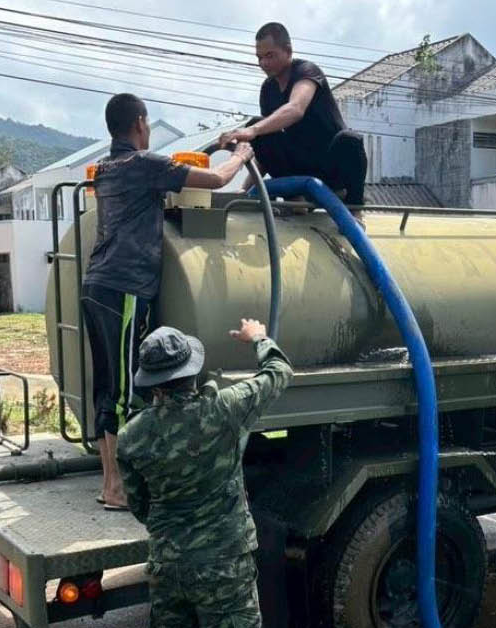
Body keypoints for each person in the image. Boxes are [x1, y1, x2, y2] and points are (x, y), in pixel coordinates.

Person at [82, 93, 253, 510]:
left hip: (97, 285)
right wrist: (242, 156)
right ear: (140, 123)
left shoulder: (106, 168)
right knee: (122, 393)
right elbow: (214, 182)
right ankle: (117, 488)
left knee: (107, 387)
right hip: (124, 287)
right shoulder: (143, 165)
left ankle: (110, 483)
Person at [116, 319, 293, 627]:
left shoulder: (131, 435)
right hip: (224, 566)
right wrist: (258, 338)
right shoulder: (224, 409)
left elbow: (140, 506)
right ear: (192, 371)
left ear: (153, 383)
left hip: (168, 567)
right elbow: (279, 372)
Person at [218, 22, 368, 206]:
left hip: (331, 163)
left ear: (288, 51)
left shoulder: (306, 71)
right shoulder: (268, 89)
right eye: (259, 57)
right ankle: (296, 200)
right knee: (258, 125)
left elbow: (296, 108)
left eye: (270, 55)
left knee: (350, 139)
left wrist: (253, 131)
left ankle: (355, 209)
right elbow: (265, 147)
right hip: (300, 166)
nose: (263, 63)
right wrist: (246, 189)